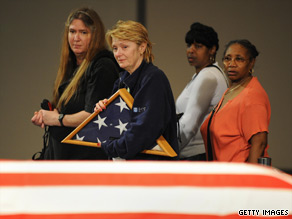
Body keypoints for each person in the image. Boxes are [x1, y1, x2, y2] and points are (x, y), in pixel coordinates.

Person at [31, 7, 120, 160]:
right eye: (72, 32)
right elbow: (69, 110)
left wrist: (57, 119)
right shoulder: (72, 67)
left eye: (83, 32)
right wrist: (45, 116)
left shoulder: (102, 65)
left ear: (95, 35)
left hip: (85, 164)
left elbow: (93, 115)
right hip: (62, 158)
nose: (76, 38)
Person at [94, 20, 179, 160]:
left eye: (124, 47)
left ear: (142, 47)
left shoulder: (154, 79)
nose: (118, 53)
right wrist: (103, 112)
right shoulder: (120, 81)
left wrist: (110, 147)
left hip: (151, 172)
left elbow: (144, 130)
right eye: (115, 48)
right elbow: (112, 128)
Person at [200, 39, 271, 163]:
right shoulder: (231, 91)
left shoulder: (252, 95)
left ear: (251, 63)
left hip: (238, 178)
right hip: (223, 174)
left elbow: (259, 142)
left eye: (239, 59)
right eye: (227, 58)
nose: (232, 64)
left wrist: (248, 179)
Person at [176, 22, 229, 161]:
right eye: (189, 45)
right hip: (196, 154)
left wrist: (169, 150)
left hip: (196, 156)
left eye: (198, 46)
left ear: (212, 49)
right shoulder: (204, 74)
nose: (191, 50)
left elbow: (189, 125)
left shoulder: (208, 76)